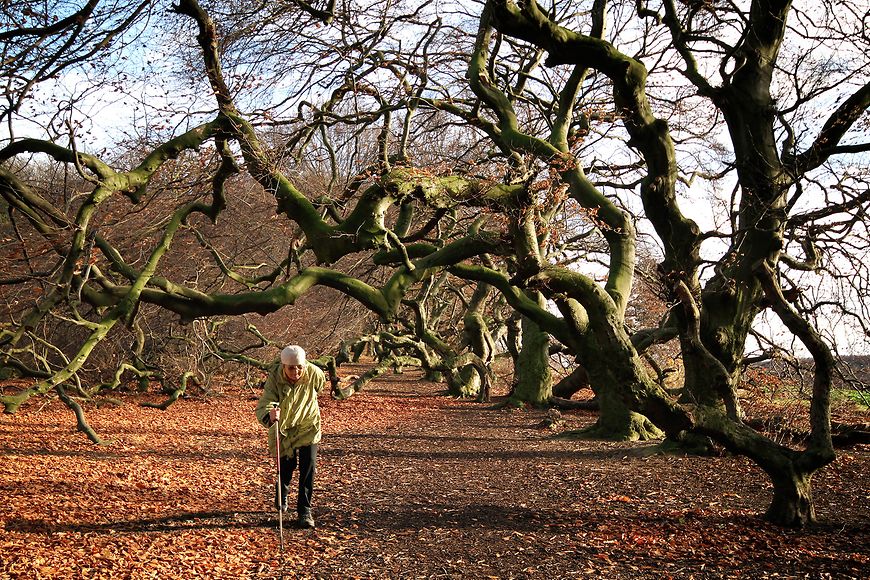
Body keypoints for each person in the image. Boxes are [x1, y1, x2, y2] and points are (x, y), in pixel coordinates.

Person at [256, 345, 325, 529]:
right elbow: (266, 400)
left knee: (308, 467)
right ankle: (282, 492)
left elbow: (320, 386)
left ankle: (304, 511)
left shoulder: (315, 374)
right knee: (286, 467)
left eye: (299, 367)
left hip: (308, 425)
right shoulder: (275, 379)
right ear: (284, 366)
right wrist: (270, 413)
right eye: (291, 368)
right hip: (285, 428)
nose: (296, 372)